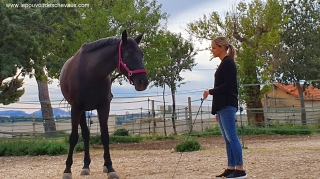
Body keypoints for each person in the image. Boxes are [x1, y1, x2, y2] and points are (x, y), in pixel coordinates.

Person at [203, 36, 247, 179]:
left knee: (232, 137)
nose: (212, 50)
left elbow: (228, 85)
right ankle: (231, 167)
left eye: (214, 48)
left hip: (228, 104)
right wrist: (217, 109)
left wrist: (210, 91)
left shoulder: (228, 63)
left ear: (222, 48)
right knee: (227, 138)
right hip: (223, 106)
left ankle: (240, 169)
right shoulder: (224, 63)